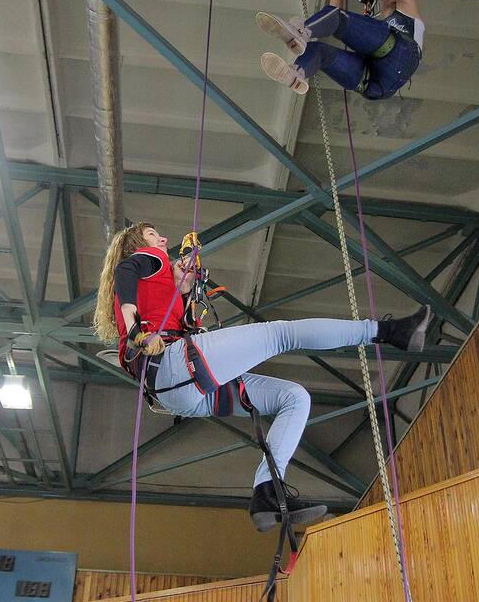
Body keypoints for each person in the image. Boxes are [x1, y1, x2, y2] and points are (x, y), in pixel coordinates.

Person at [93, 221, 432, 532]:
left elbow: (154, 298)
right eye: (154, 235)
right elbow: (127, 270)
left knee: (294, 398)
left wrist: (180, 289)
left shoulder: (157, 283)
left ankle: (266, 491)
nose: (162, 240)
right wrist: (136, 324)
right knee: (281, 334)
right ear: (139, 243)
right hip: (175, 367)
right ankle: (388, 331)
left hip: (176, 393)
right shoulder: (147, 259)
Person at [257, 0, 424, 100]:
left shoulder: (407, 4)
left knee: (337, 20)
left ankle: (301, 32)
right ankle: (296, 73)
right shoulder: (388, 26)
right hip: (375, 86)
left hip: (399, 56)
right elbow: (334, 17)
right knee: (319, 52)